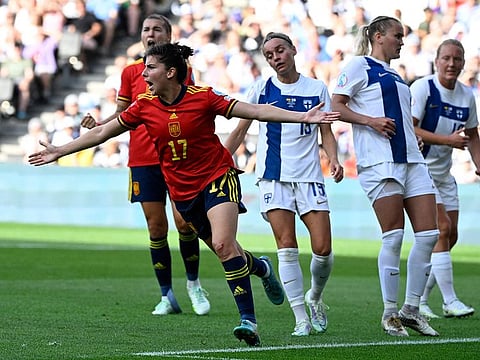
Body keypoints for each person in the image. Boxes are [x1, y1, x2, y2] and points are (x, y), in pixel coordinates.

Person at [29, 42, 338, 346]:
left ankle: (249, 322)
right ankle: (261, 267)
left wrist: (303, 117)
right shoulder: (143, 106)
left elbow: (255, 110)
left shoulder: (203, 97)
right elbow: (100, 132)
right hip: (182, 191)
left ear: (172, 72)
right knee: (225, 251)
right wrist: (60, 150)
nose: (145, 75)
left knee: (222, 243)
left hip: (218, 176)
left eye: (151, 68)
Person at [80, 14, 210, 316]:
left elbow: (185, 106)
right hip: (143, 157)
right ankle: (166, 294)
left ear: (168, 35)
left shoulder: (181, 71)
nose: (150, 34)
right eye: (146, 29)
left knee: (184, 223)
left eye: (157, 29)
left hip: (177, 157)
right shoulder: (130, 73)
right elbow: (122, 115)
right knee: (156, 227)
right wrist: (99, 125)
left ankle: (194, 283)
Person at [224, 32, 343, 337]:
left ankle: (314, 296)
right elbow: (241, 128)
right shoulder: (261, 88)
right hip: (273, 177)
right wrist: (221, 159)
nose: (275, 57)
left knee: (323, 249)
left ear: (293, 50)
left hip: (309, 176)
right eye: (269, 54)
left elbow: (326, 131)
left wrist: (334, 159)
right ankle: (300, 318)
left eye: (280, 50)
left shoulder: (316, 88)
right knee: (286, 247)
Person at [331, 16, 440, 337]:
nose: (402, 41)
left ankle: (411, 309)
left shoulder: (396, 74)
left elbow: (400, 116)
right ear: (378, 37)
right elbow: (335, 105)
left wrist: (411, 135)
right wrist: (370, 121)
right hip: (380, 162)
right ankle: (389, 312)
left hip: (412, 159)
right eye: (397, 35)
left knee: (429, 235)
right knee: (393, 235)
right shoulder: (358, 66)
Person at [410, 39, 479, 319]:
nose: (452, 64)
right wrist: (447, 141)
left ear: (463, 63)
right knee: (442, 227)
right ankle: (450, 301)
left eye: (457, 59)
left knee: (450, 237)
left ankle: (421, 301)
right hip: (419, 169)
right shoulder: (423, 88)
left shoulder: (466, 96)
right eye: (446, 58)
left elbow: (473, 134)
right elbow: (410, 128)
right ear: (436, 61)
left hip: (443, 173)